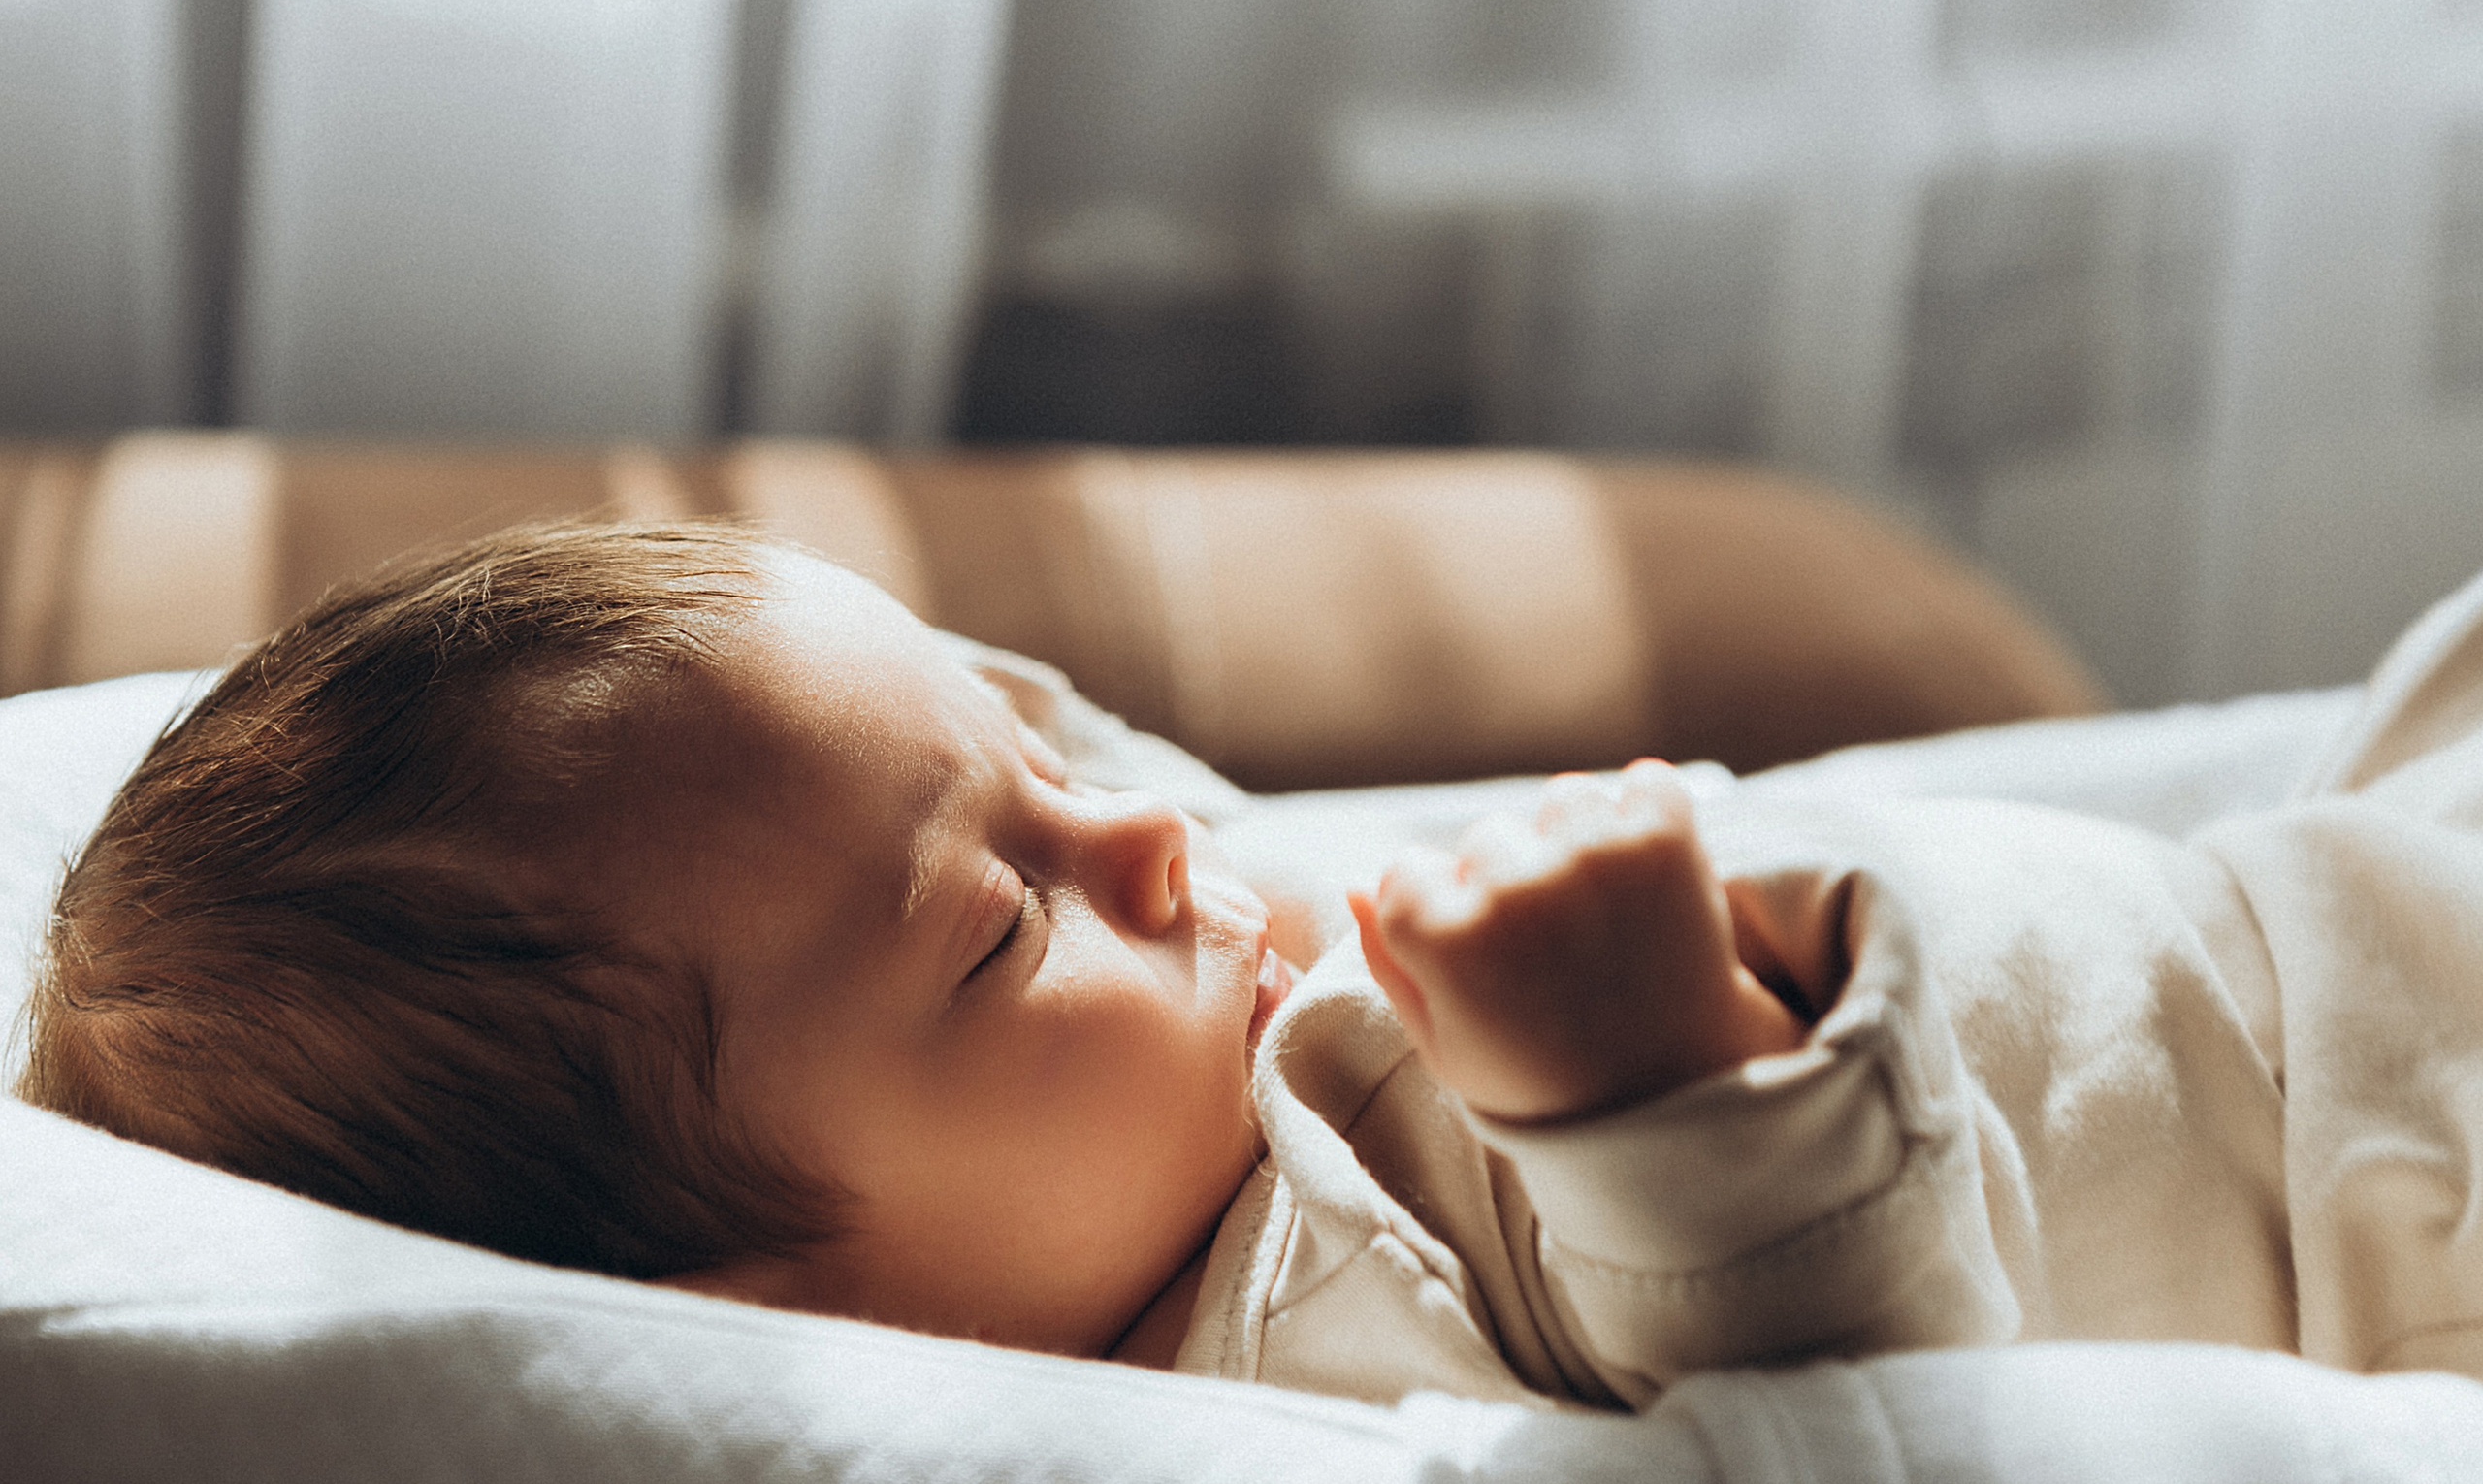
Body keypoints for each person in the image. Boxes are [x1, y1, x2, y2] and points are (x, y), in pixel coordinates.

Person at [18, 521, 2483, 1407]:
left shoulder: (1167, 1013)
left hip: (2316, 885)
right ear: (821, 1312)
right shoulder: (1294, 1325)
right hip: (2399, 1181)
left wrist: (952, 753)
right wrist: (1652, 1099)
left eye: (1003, 727)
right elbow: (1821, 1411)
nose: (1140, 834)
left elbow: (1066, 785)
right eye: (999, 926)